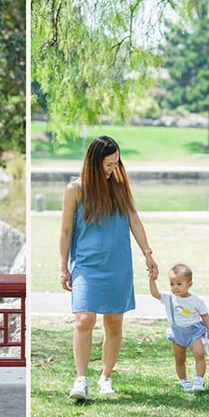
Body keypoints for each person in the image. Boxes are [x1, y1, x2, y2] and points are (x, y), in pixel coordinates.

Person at [59, 135, 158, 401]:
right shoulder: (75, 189)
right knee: (84, 320)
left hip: (118, 264)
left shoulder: (119, 185)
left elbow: (134, 220)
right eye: (107, 164)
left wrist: (147, 254)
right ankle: (81, 380)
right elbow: (67, 230)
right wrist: (63, 266)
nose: (112, 169)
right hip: (86, 265)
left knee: (113, 323)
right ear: (93, 162)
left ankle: (105, 377)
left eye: (115, 164)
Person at [147, 264, 209, 393]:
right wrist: (152, 280)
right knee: (180, 358)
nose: (175, 287)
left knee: (199, 354)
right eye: (172, 284)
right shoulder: (169, 298)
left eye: (179, 284)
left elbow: (204, 315)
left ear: (189, 284)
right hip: (177, 332)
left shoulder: (196, 300)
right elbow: (155, 293)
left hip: (194, 331)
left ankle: (199, 379)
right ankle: (184, 381)